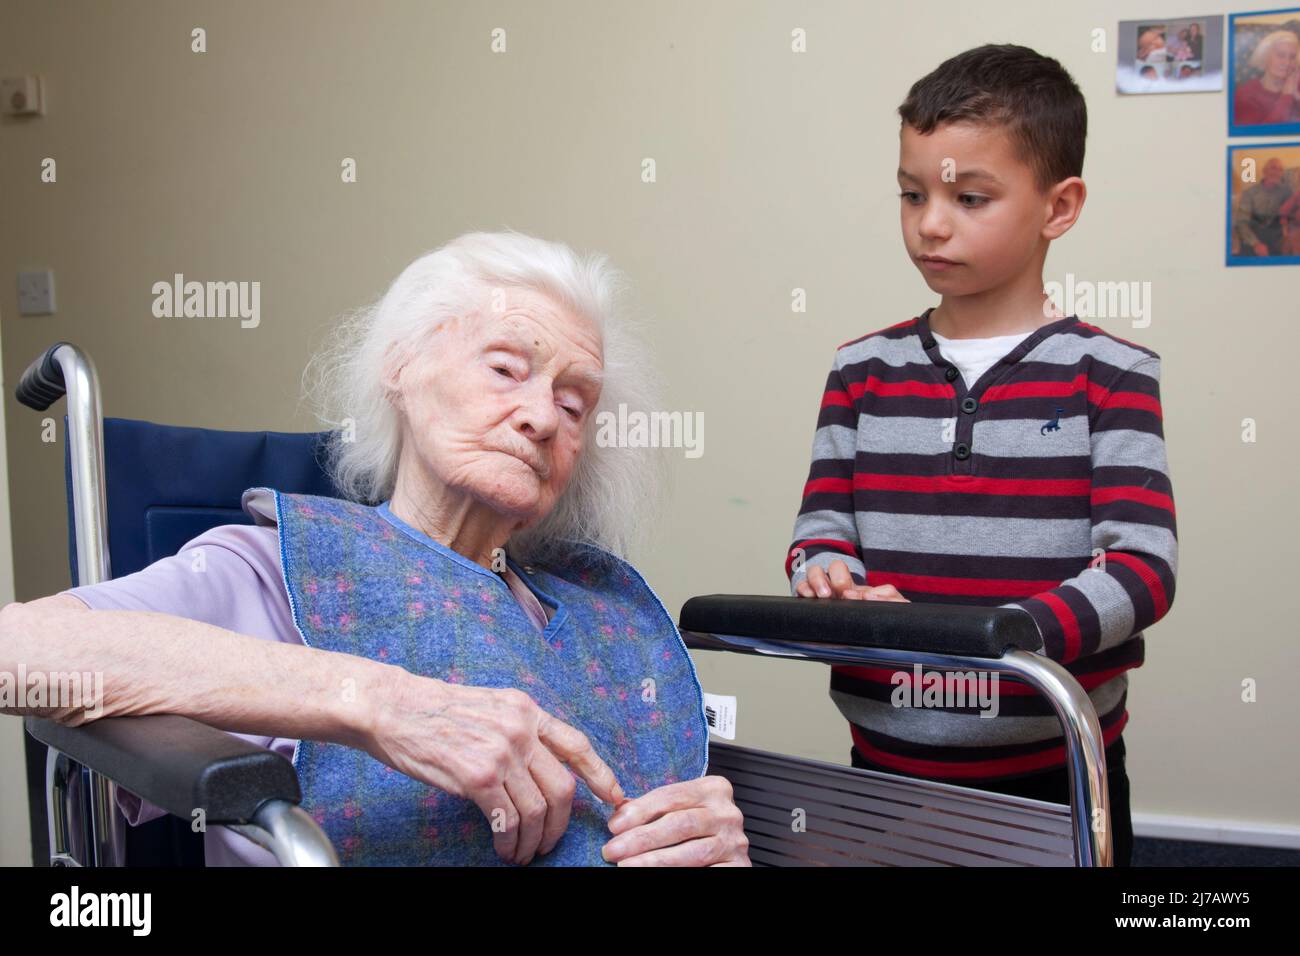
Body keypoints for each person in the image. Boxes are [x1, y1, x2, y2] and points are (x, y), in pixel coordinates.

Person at [2, 230, 749, 868]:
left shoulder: (601, 612)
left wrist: (709, 840)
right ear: (400, 369)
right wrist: (381, 703)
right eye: (505, 369)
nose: (541, 417)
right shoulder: (275, 570)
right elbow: (18, 653)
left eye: (573, 402)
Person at [785, 45, 1178, 867]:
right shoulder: (860, 371)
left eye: (969, 198)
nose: (930, 222)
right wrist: (825, 575)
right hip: (885, 765)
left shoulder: (1111, 374)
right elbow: (821, 529)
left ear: (1058, 207)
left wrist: (1008, 635)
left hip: (1056, 772)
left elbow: (1141, 571)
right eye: (912, 193)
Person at [1233, 29, 1300, 127]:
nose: (1287, 62)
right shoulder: (1245, 94)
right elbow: (1258, 136)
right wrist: (1287, 96)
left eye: (1292, 57)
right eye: (1281, 55)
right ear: (1265, 57)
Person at [1236, 157, 1295, 256]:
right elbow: (1241, 222)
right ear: (1264, 171)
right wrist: (1255, 244)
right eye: (1273, 168)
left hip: (1277, 238)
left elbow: (1292, 216)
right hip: (1253, 236)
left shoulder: (1287, 192)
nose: (1277, 172)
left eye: (1280, 170)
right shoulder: (1249, 193)